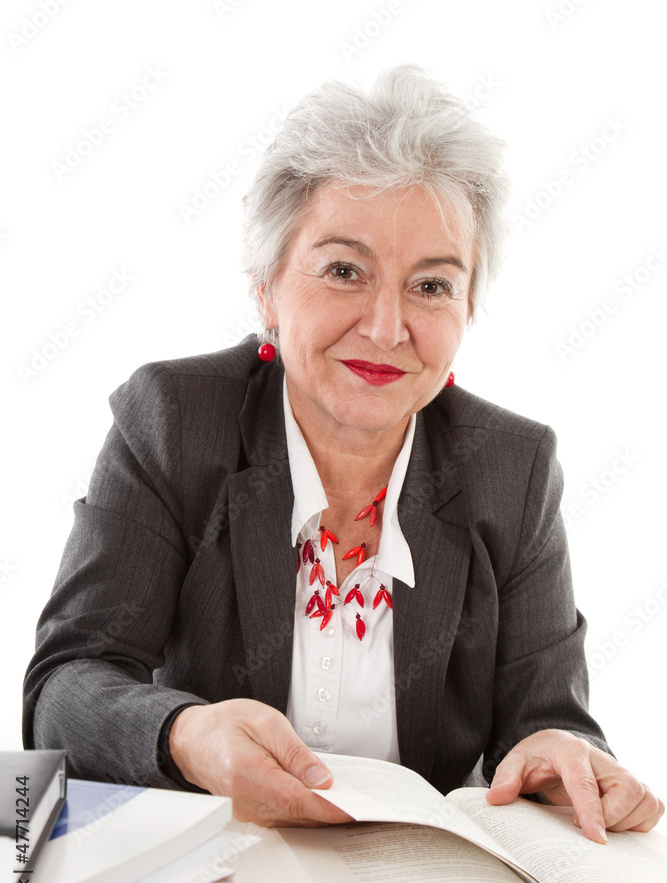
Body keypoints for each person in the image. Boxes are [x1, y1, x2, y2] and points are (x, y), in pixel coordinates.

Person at [23, 66, 663, 841]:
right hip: (215, 870)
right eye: (343, 271)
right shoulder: (175, 420)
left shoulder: (512, 467)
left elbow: (547, 720)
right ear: (266, 288)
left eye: (431, 286)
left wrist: (560, 756)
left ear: (467, 307)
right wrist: (183, 734)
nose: (386, 328)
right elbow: (66, 686)